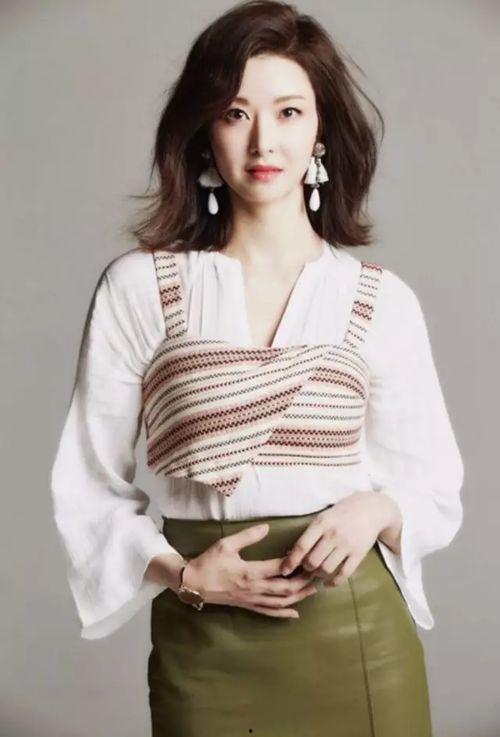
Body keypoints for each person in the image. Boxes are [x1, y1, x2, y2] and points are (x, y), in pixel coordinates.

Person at [50, 1, 464, 735]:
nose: (264, 140)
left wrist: (374, 509)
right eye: (235, 113)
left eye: (289, 112)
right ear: (204, 131)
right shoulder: (141, 289)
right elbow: (88, 484)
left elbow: (432, 484)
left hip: (356, 635)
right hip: (204, 640)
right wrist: (186, 576)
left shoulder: (378, 300)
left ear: (320, 132)